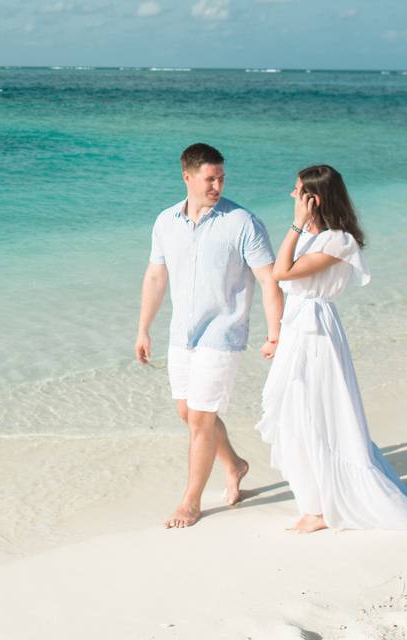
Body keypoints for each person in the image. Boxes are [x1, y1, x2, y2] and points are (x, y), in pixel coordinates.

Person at [256, 164, 407, 533]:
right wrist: (278, 338)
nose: (292, 195)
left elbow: (281, 273)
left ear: (313, 198)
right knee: (292, 415)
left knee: (316, 414)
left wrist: (294, 224)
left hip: (317, 334)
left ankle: (322, 509)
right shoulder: (310, 234)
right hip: (298, 330)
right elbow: (285, 279)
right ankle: (314, 503)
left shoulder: (340, 240)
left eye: (297, 191)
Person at [135, 143, 283, 529]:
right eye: (209, 178)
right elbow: (155, 277)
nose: (217, 185)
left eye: (221, 178)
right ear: (187, 177)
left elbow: (269, 280)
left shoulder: (242, 223)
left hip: (223, 332)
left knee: (201, 418)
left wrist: (274, 333)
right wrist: (143, 329)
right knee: (188, 413)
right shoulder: (165, 221)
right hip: (181, 333)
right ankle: (235, 464)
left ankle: (190, 502)